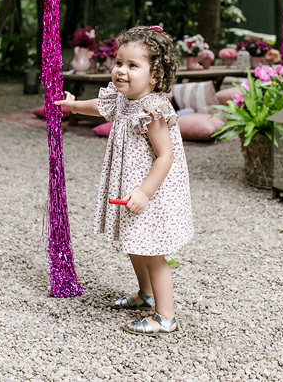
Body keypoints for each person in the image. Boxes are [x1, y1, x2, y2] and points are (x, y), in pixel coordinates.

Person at [54, 25, 193, 336]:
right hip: (131, 188)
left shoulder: (152, 109)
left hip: (152, 192)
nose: (121, 71)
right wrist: (73, 105)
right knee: (134, 244)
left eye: (133, 65)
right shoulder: (122, 98)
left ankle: (165, 316)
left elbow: (165, 156)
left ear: (155, 76)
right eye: (119, 62)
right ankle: (145, 295)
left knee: (153, 252)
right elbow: (100, 107)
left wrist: (144, 193)